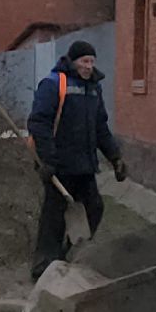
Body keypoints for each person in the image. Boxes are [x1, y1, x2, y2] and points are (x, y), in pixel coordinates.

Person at [27, 41, 126, 281]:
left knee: (95, 207)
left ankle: (67, 257)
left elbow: (100, 126)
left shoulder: (94, 89)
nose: (89, 66)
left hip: (84, 165)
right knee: (54, 217)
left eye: (91, 61)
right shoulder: (53, 84)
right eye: (84, 61)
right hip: (58, 166)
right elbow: (38, 123)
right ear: (73, 61)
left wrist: (115, 157)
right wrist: (47, 160)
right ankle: (43, 268)